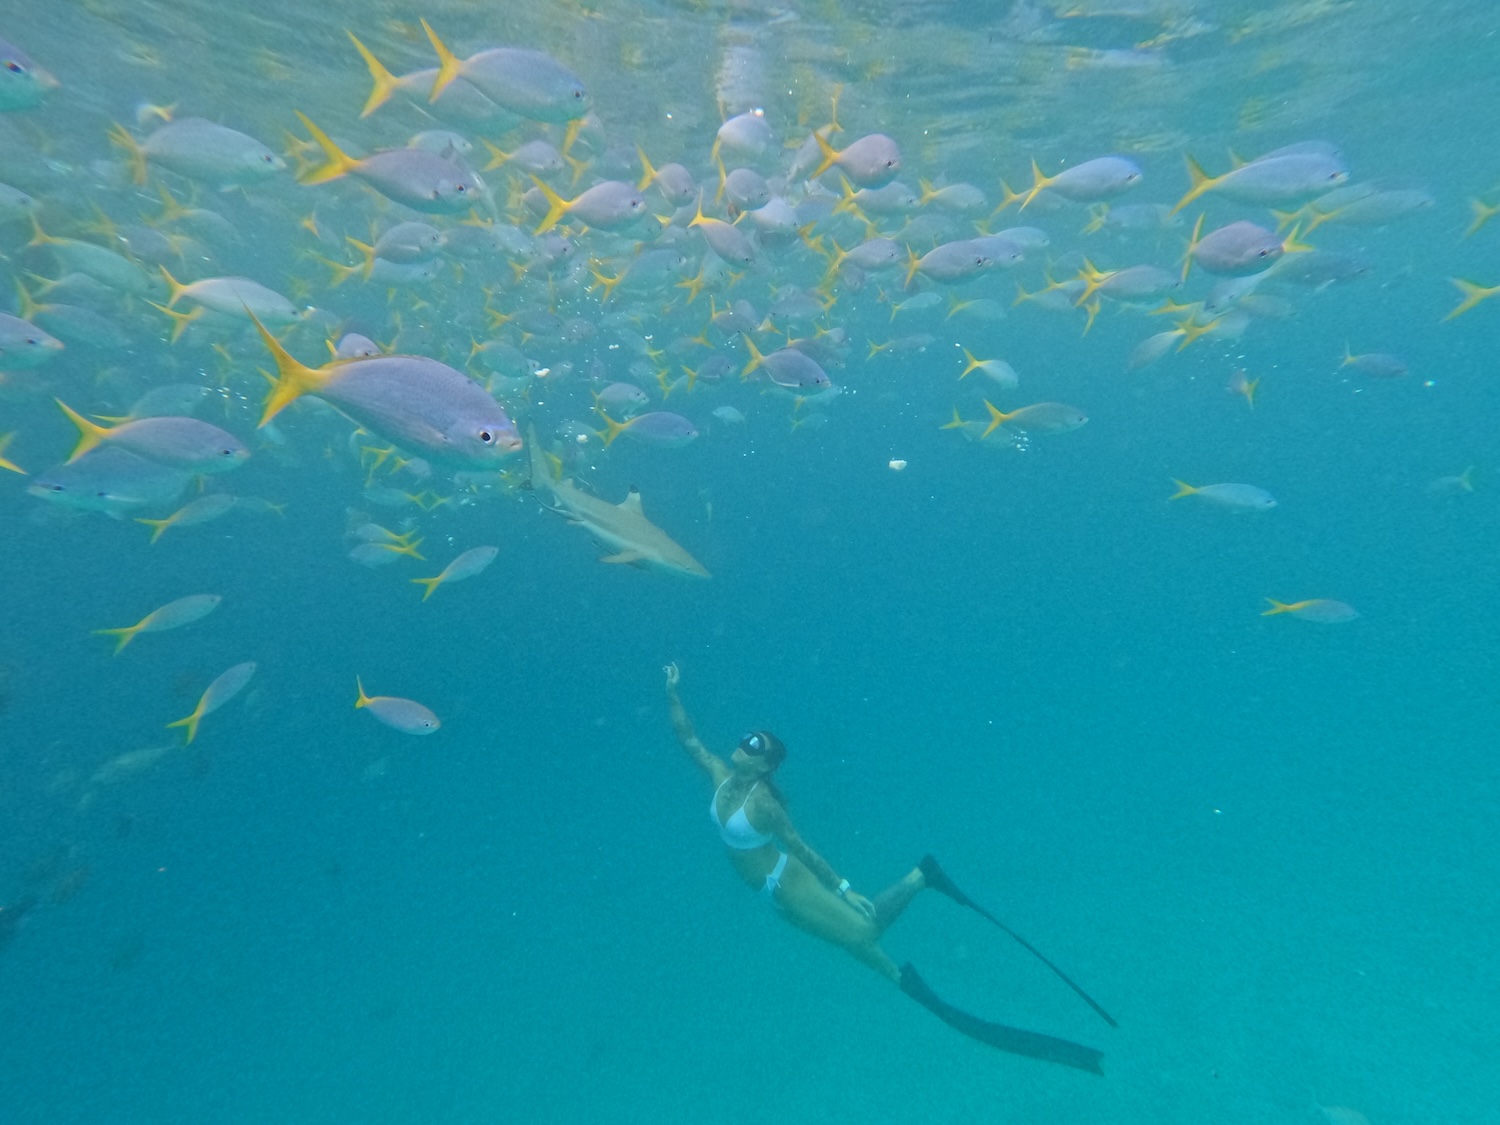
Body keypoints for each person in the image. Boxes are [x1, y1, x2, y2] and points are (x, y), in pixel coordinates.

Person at [663, 662, 1109, 1073]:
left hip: (786, 881)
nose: (742, 748)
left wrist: (840, 887)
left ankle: (922, 877)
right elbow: (689, 739)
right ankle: (898, 976)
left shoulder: (763, 805)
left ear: (765, 765)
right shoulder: (721, 777)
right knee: (843, 938)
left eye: (752, 747)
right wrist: (673, 692)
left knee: (859, 931)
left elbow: (801, 847)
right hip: (771, 890)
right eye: (745, 742)